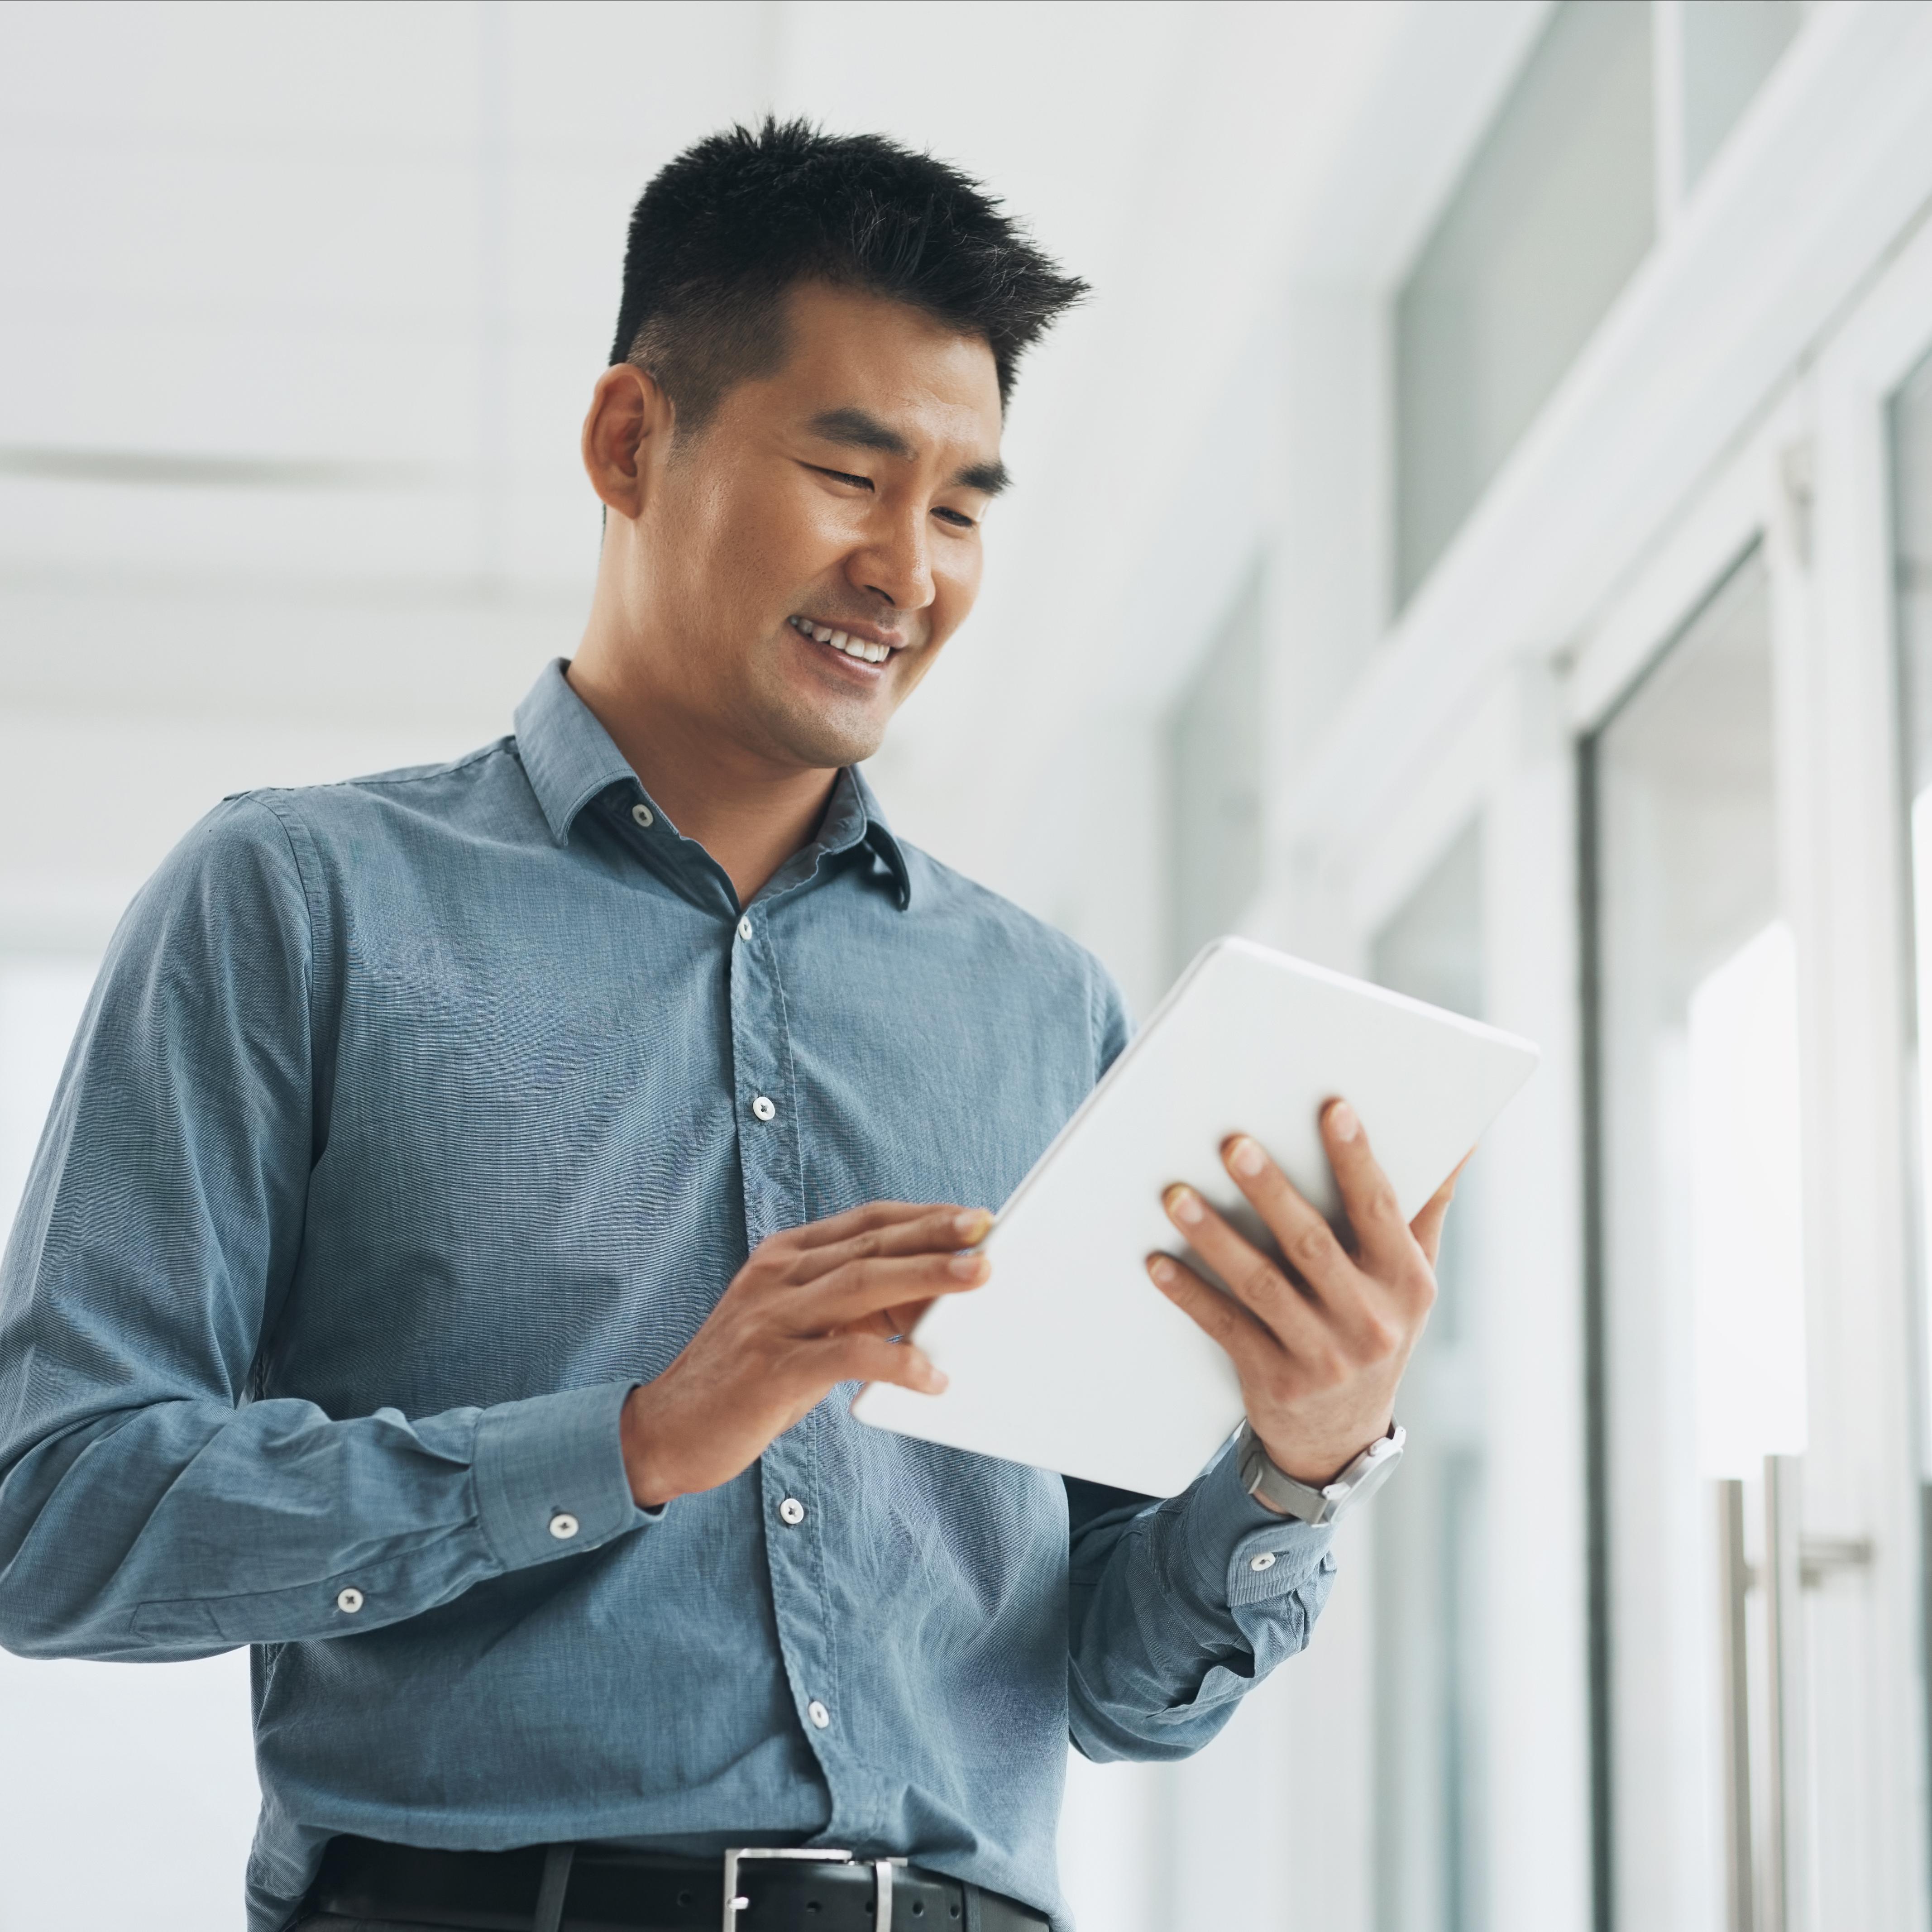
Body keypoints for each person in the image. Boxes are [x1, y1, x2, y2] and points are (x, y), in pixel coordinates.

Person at [0, 121, 1453, 1932]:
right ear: (629, 440)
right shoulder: (297, 899)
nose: (908, 570)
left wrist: (1297, 1456)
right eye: (849, 474)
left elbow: (1106, 1679)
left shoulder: (1036, 1004)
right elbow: (52, 1512)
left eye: (961, 505)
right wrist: (630, 1438)